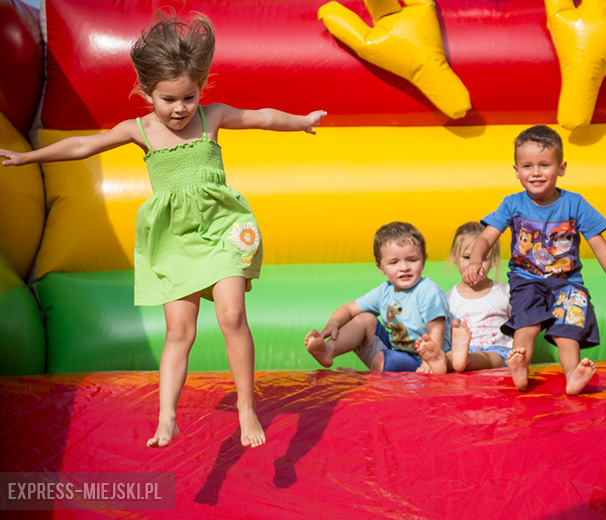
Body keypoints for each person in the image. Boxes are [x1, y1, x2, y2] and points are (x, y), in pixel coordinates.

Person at [1, 12, 327, 447]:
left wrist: (299, 120)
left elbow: (260, 116)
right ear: (146, 92)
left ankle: (248, 409)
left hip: (223, 226)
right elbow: (82, 145)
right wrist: (27, 158)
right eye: (169, 99)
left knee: (232, 314)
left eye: (189, 97)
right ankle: (167, 417)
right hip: (174, 239)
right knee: (180, 331)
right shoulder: (139, 130)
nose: (180, 109)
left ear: (200, 89)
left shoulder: (211, 117)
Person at [462, 125, 606, 396]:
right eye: (527, 166)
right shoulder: (512, 203)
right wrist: (475, 259)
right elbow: (486, 237)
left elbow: (599, 246)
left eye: (545, 165)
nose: (536, 172)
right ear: (516, 171)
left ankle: (573, 375)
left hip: (567, 282)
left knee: (568, 330)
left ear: (561, 167)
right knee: (526, 325)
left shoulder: (575, 204)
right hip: (526, 279)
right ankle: (520, 365)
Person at [305, 221, 451, 372]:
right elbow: (349, 309)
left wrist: (429, 363)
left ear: (424, 260)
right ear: (380, 267)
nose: (404, 267)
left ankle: (366, 377)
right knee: (365, 319)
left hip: (424, 360)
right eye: (394, 262)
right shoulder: (385, 291)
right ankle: (329, 349)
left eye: (412, 260)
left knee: (383, 359)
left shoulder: (427, 290)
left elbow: (436, 331)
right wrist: (333, 324)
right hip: (397, 355)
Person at [415, 221, 512, 374]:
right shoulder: (448, 298)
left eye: (484, 258)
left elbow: (521, 323)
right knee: (449, 356)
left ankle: (463, 359)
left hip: (497, 352)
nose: (475, 265)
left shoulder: (505, 292)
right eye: (467, 257)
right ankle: (438, 361)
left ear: (493, 260)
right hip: (459, 351)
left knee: (486, 357)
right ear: (454, 257)